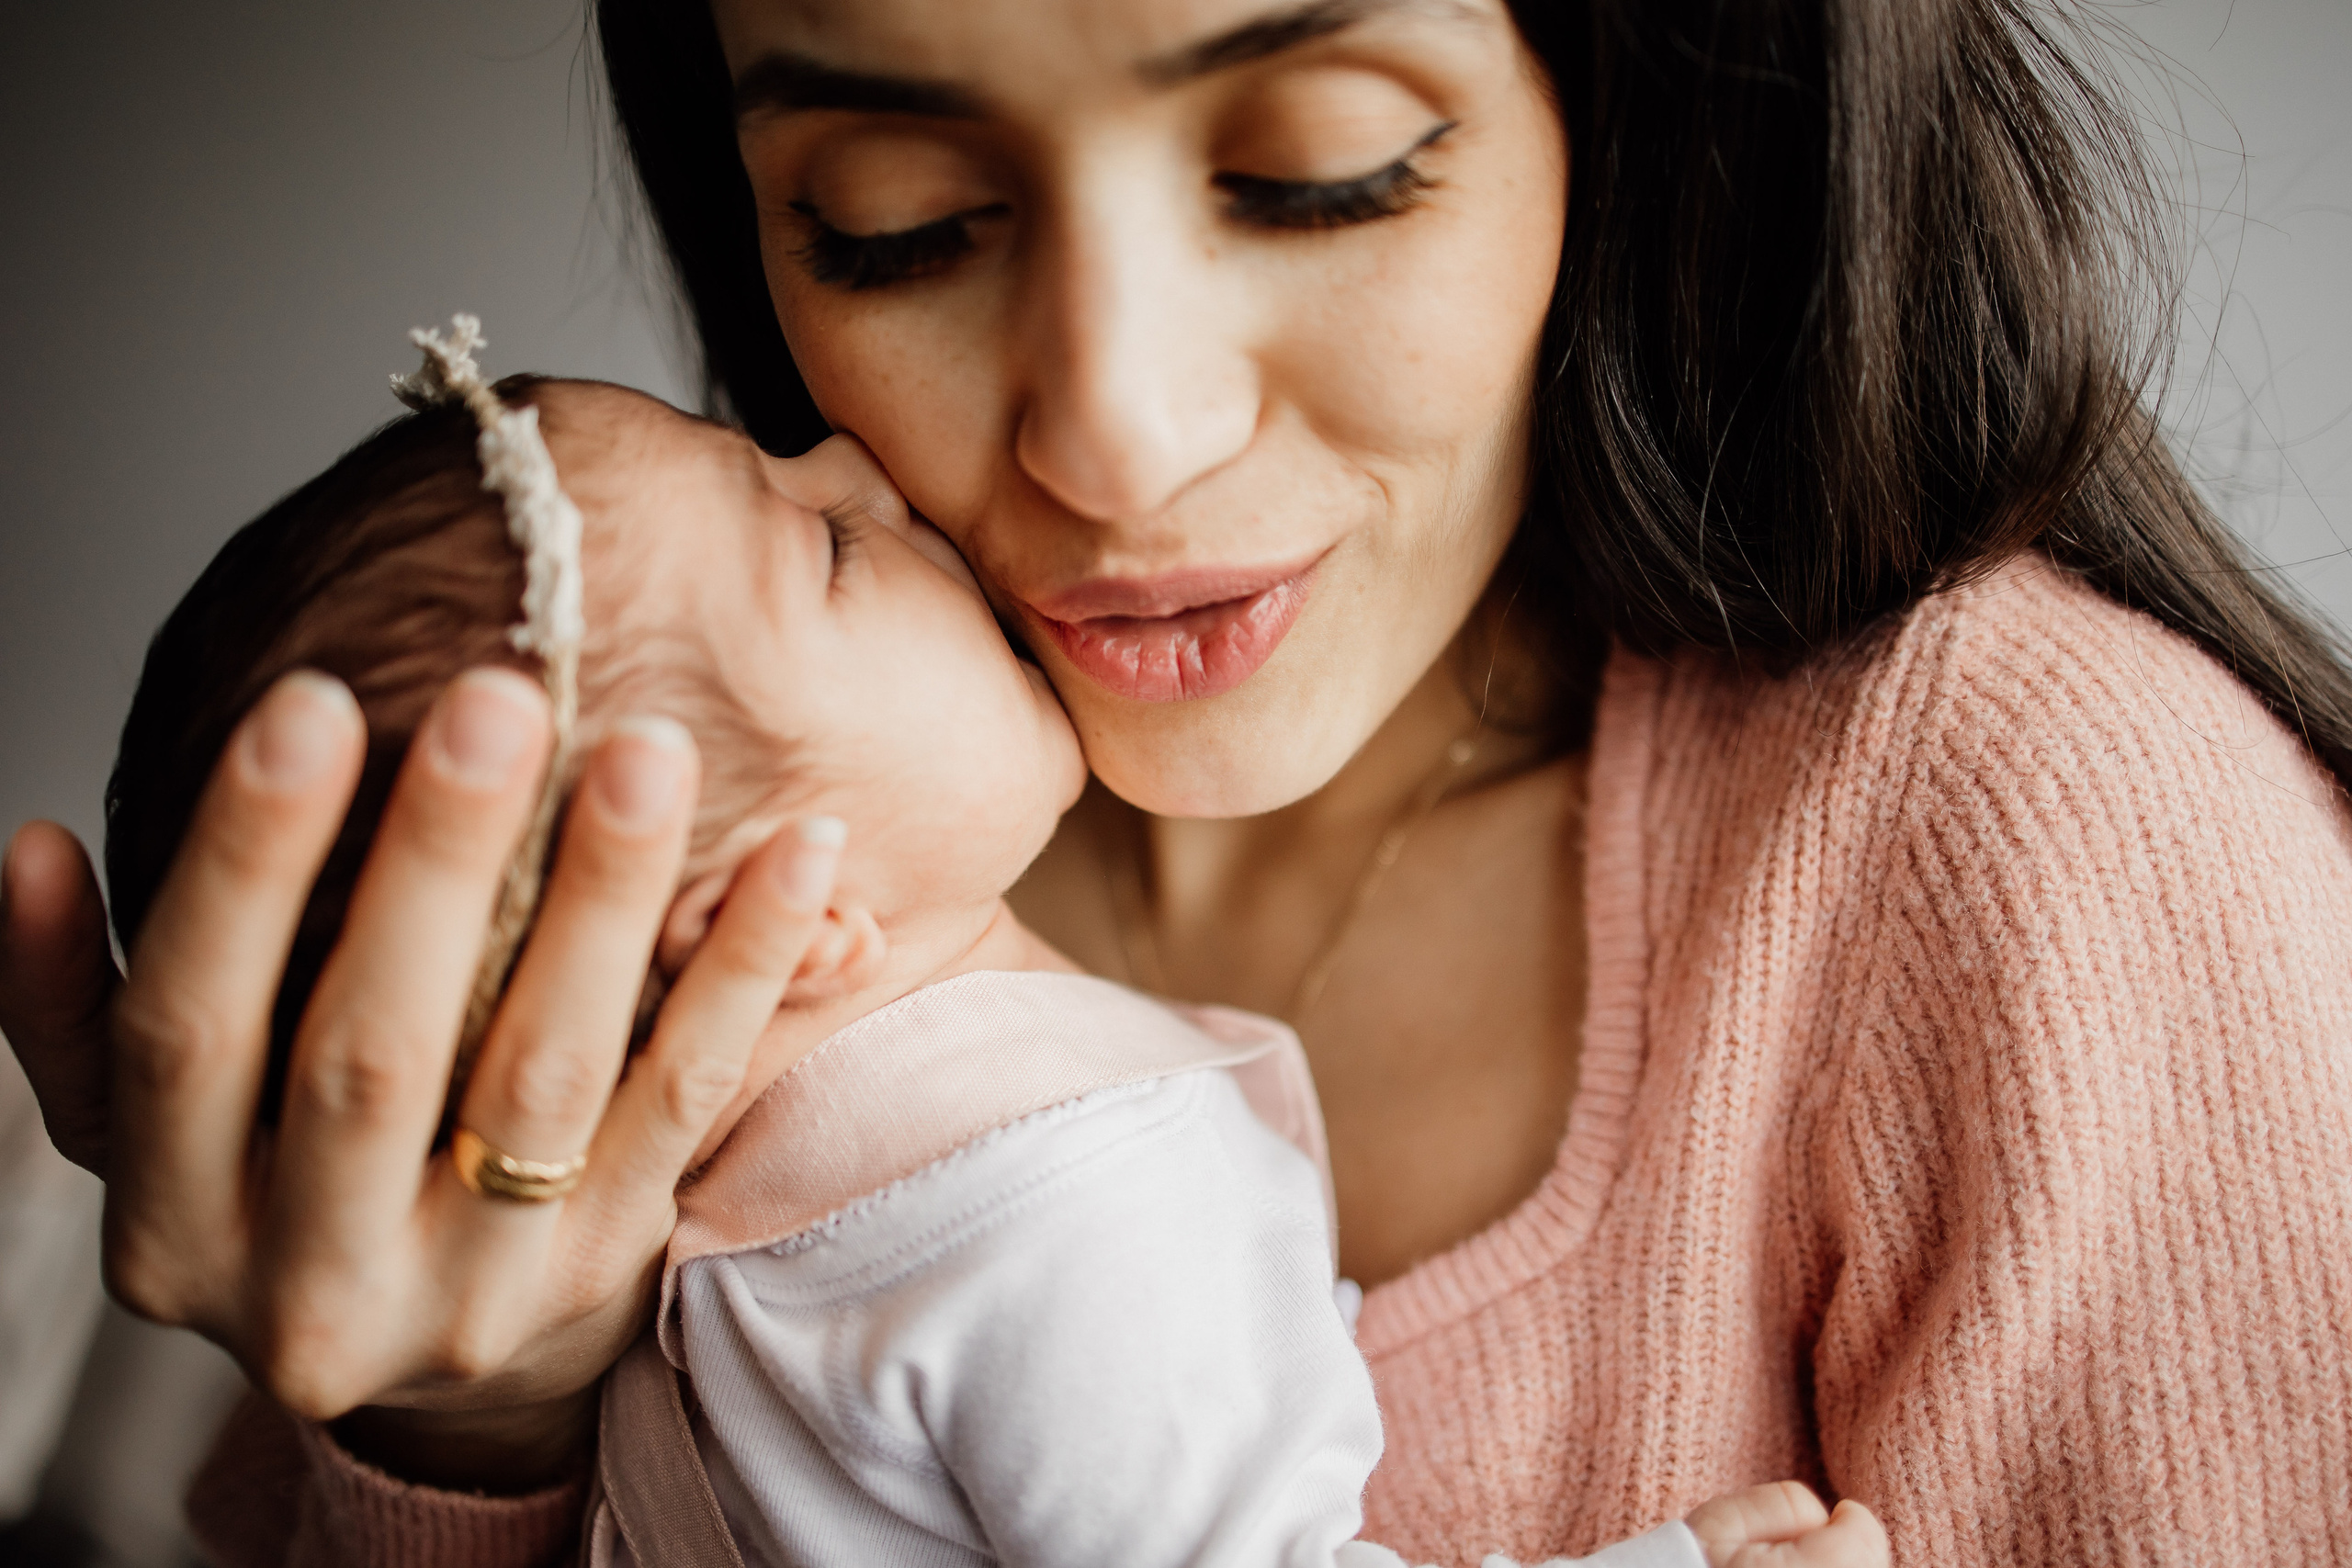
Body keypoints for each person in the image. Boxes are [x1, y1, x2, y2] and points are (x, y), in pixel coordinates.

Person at [5, 0, 2350, 1562]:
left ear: (1625, 104)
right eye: (892, 223)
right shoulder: (619, 890)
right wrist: (482, 1424)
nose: (1113, 436)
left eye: (1325, 173)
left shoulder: (2060, 857)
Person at [103, 324, 1884, 1568]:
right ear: (769, 919)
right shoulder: (1052, 1194)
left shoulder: (729, 1226)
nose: (867, 475)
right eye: (816, 547)